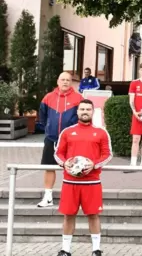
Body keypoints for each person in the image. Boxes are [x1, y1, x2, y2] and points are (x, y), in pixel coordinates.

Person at [53, 99, 113, 256]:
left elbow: (107, 154)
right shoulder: (67, 132)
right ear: (77, 112)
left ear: (93, 112)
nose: (85, 112)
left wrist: (94, 164)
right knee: (68, 215)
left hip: (92, 182)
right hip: (70, 182)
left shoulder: (101, 132)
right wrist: (64, 163)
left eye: (88, 109)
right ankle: (65, 250)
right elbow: (58, 153)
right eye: (82, 109)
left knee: (93, 215)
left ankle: (96, 249)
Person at [38, 72, 83, 208]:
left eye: (68, 80)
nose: (65, 82)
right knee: (49, 167)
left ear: (71, 83)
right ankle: (48, 196)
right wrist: (48, 129)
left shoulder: (78, 98)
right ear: (58, 81)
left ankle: (73, 198)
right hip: (51, 139)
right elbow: (42, 117)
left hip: (71, 140)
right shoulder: (48, 98)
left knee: (73, 168)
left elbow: (83, 117)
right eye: (62, 79)